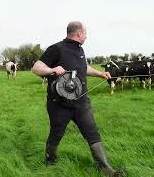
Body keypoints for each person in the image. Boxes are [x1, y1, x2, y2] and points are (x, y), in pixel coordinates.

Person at [32, 21, 124, 176]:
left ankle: (106, 169)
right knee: (57, 133)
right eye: (85, 33)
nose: (86, 36)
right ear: (79, 33)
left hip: (81, 103)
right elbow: (36, 67)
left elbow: (83, 68)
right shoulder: (56, 49)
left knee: (92, 132)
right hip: (59, 104)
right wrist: (52, 69)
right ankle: (50, 160)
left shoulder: (80, 50)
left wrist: (100, 74)